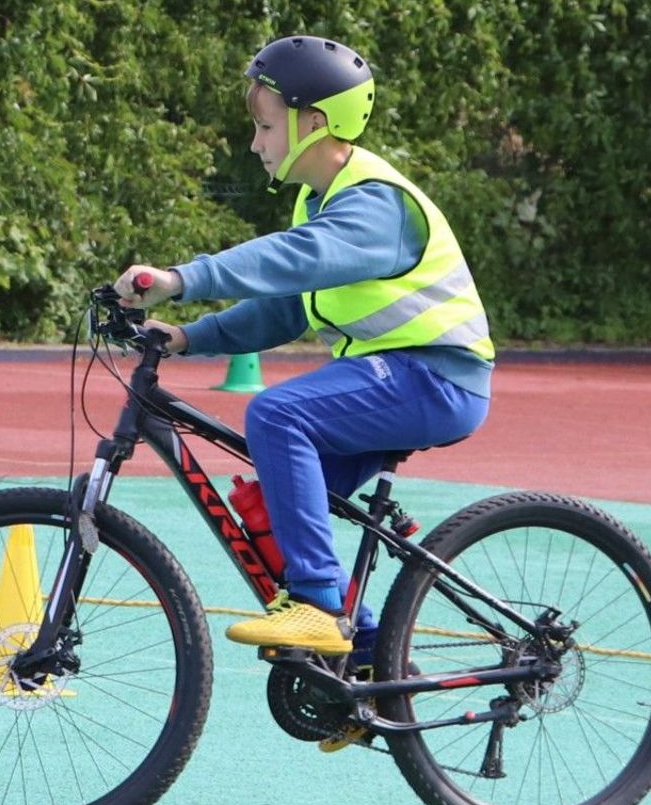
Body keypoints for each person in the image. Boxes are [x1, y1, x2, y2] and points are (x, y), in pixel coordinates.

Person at [115, 35, 493, 659]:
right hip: (397, 377)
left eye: (265, 127)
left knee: (277, 413)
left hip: (436, 378)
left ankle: (318, 605)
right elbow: (286, 307)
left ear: (313, 123)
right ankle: (365, 657)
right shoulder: (320, 202)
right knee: (273, 503)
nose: (255, 143)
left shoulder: (376, 204)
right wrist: (188, 337)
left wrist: (183, 280)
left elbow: (294, 259)